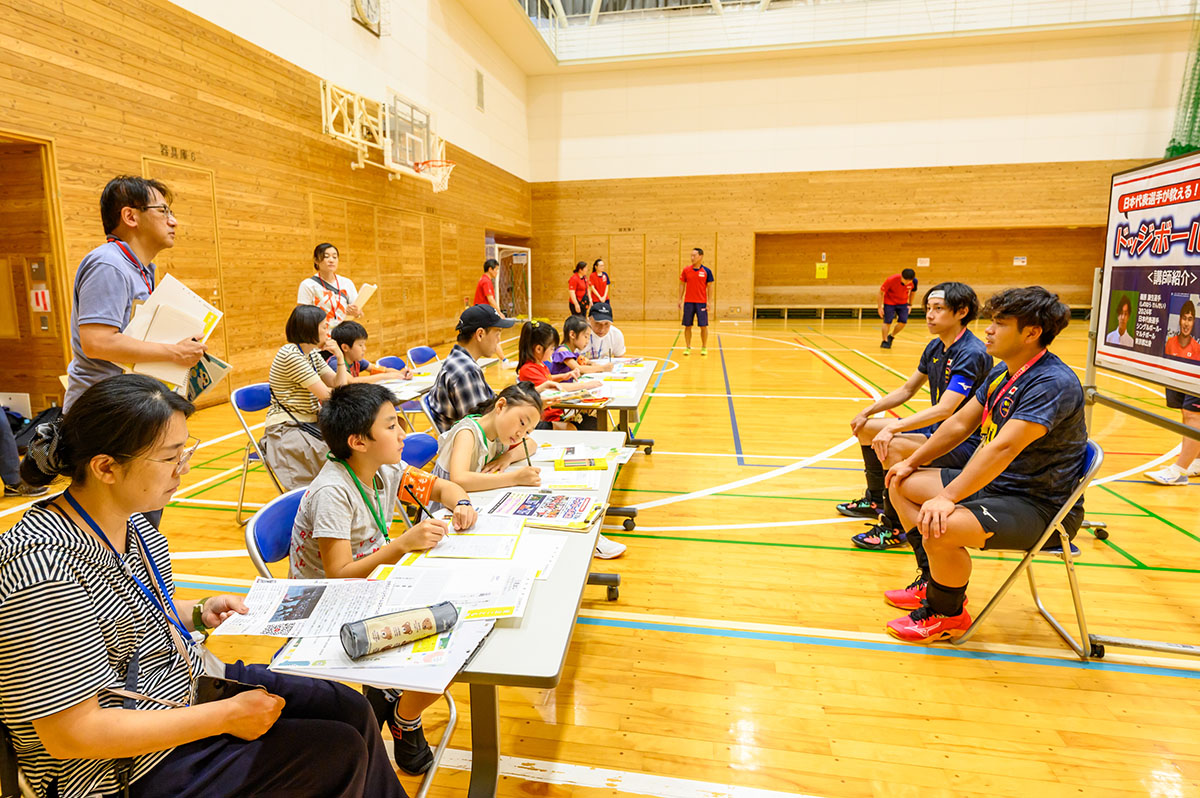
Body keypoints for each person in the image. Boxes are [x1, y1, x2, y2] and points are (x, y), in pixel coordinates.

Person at [0, 374, 405, 798]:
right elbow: (73, 734)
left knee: (351, 708)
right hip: (121, 769)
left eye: (185, 451)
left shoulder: (131, 521)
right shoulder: (43, 571)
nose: (185, 468)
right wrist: (225, 717)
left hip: (181, 685)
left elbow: (119, 617)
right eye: (170, 457)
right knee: (335, 754)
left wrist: (195, 609)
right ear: (106, 467)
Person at [289, 383, 476, 775]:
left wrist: (460, 503)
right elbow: (338, 574)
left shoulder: (386, 469)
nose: (403, 433)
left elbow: (442, 487)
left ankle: (401, 711)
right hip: (329, 603)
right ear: (358, 441)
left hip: (376, 582)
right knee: (449, 638)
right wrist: (403, 544)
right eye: (391, 426)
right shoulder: (332, 492)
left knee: (465, 621)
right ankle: (400, 710)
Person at [882, 287, 1086, 643]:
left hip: (1040, 506)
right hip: (999, 486)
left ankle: (947, 613)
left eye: (1000, 323)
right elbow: (959, 425)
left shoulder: (1052, 382)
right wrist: (911, 462)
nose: (988, 330)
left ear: (1032, 332)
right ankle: (933, 578)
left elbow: (1004, 447)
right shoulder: (1003, 374)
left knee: (939, 526)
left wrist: (947, 496)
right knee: (899, 482)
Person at [836, 283, 991, 551]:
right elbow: (908, 389)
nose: (930, 315)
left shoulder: (971, 352)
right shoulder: (935, 346)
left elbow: (946, 409)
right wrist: (868, 411)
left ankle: (893, 527)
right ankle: (875, 500)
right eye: (928, 308)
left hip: (963, 440)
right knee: (867, 429)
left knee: (892, 445)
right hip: (938, 429)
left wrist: (895, 427)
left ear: (961, 312)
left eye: (939, 309)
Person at [66, 175, 205, 412]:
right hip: (101, 411)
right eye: (163, 211)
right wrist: (174, 353)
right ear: (130, 216)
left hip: (127, 403)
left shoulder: (141, 269)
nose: (174, 221)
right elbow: (97, 342)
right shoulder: (108, 264)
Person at [263, 305, 350, 490]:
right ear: (310, 328)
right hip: (288, 427)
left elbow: (336, 384)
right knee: (333, 456)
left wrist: (340, 358)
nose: (328, 331)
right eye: (324, 326)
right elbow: (328, 396)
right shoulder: (290, 354)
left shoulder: (310, 354)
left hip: (310, 422)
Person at [432, 382, 544, 491]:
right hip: (445, 506)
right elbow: (459, 479)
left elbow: (531, 444)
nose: (521, 435)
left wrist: (506, 458)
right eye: (522, 423)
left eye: (528, 432)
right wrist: (514, 478)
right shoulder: (467, 433)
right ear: (500, 406)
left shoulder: (500, 431)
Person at [426, 304, 515, 433]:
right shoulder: (465, 372)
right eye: (497, 333)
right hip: (471, 449)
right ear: (480, 334)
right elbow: (482, 427)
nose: (499, 340)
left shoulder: (460, 361)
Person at [516, 321, 601, 430]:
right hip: (545, 418)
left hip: (556, 413)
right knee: (574, 428)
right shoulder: (529, 369)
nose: (553, 352)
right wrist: (586, 385)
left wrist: (564, 376)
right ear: (538, 349)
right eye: (551, 348)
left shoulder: (540, 364)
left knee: (591, 419)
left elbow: (546, 380)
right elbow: (551, 387)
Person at [297, 243, 362, 325]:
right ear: (316, 260)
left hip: (344, 333)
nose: (331, 260)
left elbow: (360, 313)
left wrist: (356, 313)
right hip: (321, 335)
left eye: (334, 257)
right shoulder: (308, 285)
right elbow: (302, 317)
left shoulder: (347, 283)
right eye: (326, 256)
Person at [327, 320, 412, 383]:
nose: (364, 348)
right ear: (345, 347)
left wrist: (401, 374)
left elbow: (384, 370)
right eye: (360, 345)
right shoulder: (335, 362)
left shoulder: (357, 361)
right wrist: (385, 376)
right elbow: (351, 381)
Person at [678, 247, 714, 357]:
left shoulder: (707, 271)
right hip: (689, 302)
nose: (692, 258)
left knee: (703, 326)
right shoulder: (686, 270)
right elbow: (682, 285)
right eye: (691, 256)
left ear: (701, 256)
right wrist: (680, 299)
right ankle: (688, 347)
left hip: (701, 303)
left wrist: (709, 302)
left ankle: (704, 347)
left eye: (694, 256)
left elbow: (710, 287)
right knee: (687, 326)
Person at [473, 260, 510, 364]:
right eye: (496, 269)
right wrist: (499, 312)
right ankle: (504, 360)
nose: (497, 272)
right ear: (490, 269)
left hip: (481, 312)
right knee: (494, 335)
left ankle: (503, 360)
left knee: (489, 336)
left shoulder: (483, 279)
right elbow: (490, 299)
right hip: (483, 313)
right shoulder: (486, 281)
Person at [878, 268, 918, 349]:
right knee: (887, 321)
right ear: (901, 276)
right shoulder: (891, 280)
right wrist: (880, 307)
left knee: (903, 321)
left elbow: (913, 292)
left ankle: (891, 336)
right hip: (889, 302)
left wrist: (910, 304)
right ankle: (885, 340)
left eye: (909, 281)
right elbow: (881, 292)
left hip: (903, 303)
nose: (906, 282)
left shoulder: (914, 281)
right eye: (905, 280)